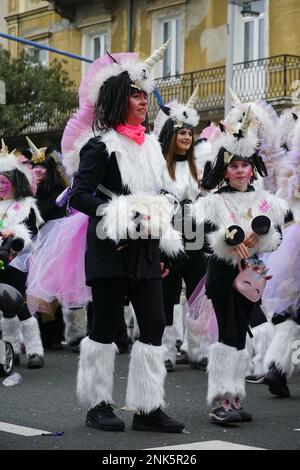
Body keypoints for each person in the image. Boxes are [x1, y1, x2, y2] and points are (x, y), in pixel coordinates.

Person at [64, 45, 185, 432]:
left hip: (146, 246)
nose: (143, 101)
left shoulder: (150, 144)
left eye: (145, 95)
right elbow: (78, 195)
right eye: (136, 94)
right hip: (110, 246)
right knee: (106, 326)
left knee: (154, 321)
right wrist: (119, 213)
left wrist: (163, 206)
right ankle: (98, 404)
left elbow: (166, 190)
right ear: (118, 98)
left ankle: (148, 408)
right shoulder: (99, 145)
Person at [193, 108, 288, 424]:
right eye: (233, 166)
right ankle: (221, 399)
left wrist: (259, 238)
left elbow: (275, 235)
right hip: (223, 276)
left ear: (252, 167)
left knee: (240, 336)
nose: (240, 170)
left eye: (245, 164)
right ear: (225, 169)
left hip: (253, 278)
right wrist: (231, 239)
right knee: (229, 335)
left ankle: (234, 397)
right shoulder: (213, 202)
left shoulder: (266, 201)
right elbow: (209, 237)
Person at [154, 87, 208, 371]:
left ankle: (198, 349)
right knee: (167, 292)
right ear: (171, 136)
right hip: (167, 231)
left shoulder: (196, 167)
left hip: (194, 230)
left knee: (198, 289)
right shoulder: (158, 167)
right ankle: (165, 349)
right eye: (181, 133)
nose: (187, 137)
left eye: (190, 133)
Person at [0, 140, 44, 368]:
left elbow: (30, 231)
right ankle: (9, 350)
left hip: (18, 261)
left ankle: (35, 350)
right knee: (3, 306)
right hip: (0, 259)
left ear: (15, 183)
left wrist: (15, 238)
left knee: (20, 305)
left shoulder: (26, 205)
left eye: (4, 182)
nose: (0, 186)